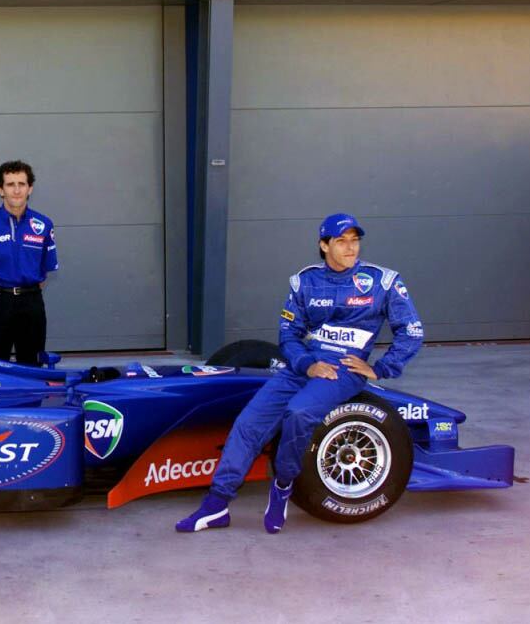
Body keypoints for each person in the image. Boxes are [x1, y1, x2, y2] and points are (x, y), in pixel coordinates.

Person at [177, 213, 422, 534]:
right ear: (324, 246)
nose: (351, 248)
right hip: (302, 366)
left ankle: (281, 485)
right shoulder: (304, 281)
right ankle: (216, 505)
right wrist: (306, 364)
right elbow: (288, 334)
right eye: (341, 242)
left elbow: (412, 331)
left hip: (342, 371)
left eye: (355, 240)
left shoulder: (382, 281)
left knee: (299, 412)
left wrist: (379, 368)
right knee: (249, 424)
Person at [0, 160, 58, 366]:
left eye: (22, 184)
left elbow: (44, 271)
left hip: (31, 304)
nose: (16, 190)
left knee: (32, 368)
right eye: (10, 184)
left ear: (30, 188)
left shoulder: (44, 225)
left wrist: (25, 292)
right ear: (0, 190)